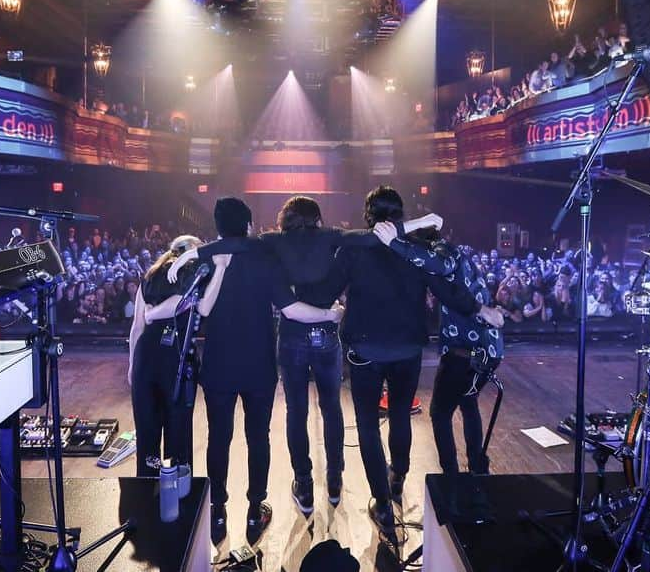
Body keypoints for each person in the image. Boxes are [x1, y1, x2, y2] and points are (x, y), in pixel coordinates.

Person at [169, 198, 442, 515]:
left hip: (292, 335)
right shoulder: (329, 237)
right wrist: (422, 221)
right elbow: (372, 236)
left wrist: (191, 252)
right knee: (331, 409)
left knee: (296, 412)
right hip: (326, 333)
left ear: (285, 219)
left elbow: (235, 244)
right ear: (317, 218)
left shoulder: (272, 242)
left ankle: (304, 485)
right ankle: (335, 480)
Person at [324, 186, 504, 539]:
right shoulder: (415, 249)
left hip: (366, 350)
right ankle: (398, 477)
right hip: (407, 351)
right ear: (400, 215)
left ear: (367, 214)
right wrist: (481, 309)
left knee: (367, 426)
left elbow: (328, 288)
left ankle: (382, 503)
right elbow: (446, 290)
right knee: (401, 413)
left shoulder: (353, 250)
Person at [195, 197, 345, 547]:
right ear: (249, 227)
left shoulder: (206, 260)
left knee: (219, 437)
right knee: (257, 437)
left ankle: (217, 510)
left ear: (218, 228)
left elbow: (200, 309)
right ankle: (253, 509)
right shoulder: (263, 257)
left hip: (217, 364)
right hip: (257, 366)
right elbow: (292, 310)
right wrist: (330, 315)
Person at [378, 224, 504, 477]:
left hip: (464, 352)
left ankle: (451, 476)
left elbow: (436, 265)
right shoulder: (458, 254)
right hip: (488, 349)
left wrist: (396, 243)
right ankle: (479, 469)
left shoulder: (442, 252)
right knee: (468, 403)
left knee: (439, 413)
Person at [126, 235, 203, 477]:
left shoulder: (149, 276)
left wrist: (131, 364)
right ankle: (180, 497)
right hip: (174, 358)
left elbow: (136, 326)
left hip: (144, 357)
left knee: (147, 434)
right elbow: (182, 301)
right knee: (178, 433)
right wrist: (155, 314)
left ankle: (145, 498)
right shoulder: (190, 271)